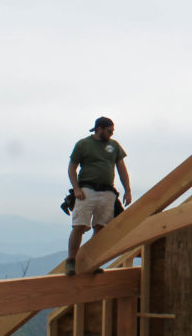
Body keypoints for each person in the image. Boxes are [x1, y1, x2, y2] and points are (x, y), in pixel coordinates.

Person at [65, 116, 132, 276]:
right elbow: (72, 167)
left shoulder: (114, 146)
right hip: (87, 189)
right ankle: (71, 261)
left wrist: (127, 190)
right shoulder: (83, 144)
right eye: (109, 131)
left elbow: (121, 168)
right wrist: (76, 189)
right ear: (99, 129)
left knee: (100, 228)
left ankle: (92, 261)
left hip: (107, 191)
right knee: (79, 226)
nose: (111, 134)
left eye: (113, 131)